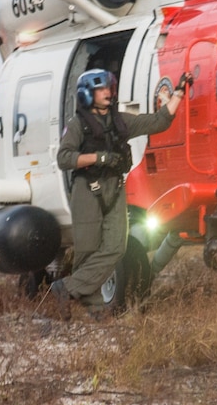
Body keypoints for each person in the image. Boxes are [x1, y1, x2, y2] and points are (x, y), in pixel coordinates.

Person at [50, 68, 191, 319]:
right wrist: (98, 157)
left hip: (114, 188)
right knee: (88, 250)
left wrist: (179, 92)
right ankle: (93, 309)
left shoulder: (121, 121)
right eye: (101, 89)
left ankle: (67, 288)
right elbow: (63, 158)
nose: (107, 92)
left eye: (109, 88)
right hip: (87, 190)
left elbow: (159, 121)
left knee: (116, 247)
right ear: (86, 94)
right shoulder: (77, 125)